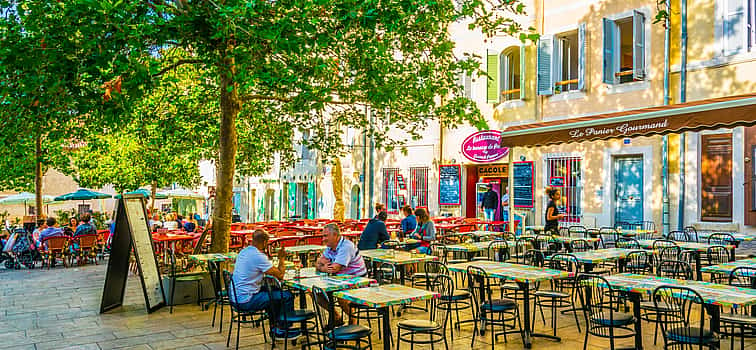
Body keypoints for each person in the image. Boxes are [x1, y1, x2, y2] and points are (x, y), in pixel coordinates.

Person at [230, 229, 294, 335]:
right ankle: (283, 330)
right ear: (265, 242)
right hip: (246, 300)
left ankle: (275, 325)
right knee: (286, 295)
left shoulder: (244, 252)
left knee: (275, 291)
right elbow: (280, 275)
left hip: (235, 297)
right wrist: (282, 258)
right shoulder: (258, 256)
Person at [316, 224, 367, 325]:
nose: (323, 239)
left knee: (341, 295)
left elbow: (334, 269)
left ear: (335, 235)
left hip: (358, 282)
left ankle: (353, 320)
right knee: (316, 293)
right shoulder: (330, 247)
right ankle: (336, 317)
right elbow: (317, 263)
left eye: (326, 236)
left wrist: (324, 267)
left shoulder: (346, 246)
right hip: (339, 281)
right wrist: (323, 267)